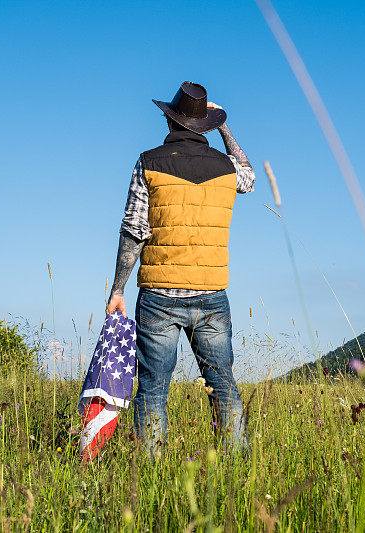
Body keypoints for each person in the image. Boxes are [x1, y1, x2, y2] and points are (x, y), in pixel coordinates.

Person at [106, 82, 254, 453]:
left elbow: (134, 230)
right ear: (203, 126)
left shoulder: (149, 161)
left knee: (154, 386)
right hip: (211, 293)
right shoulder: (225, 168)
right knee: (222, 382)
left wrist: (117, 289)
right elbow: (249, 177)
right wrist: (224, 126)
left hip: (159, 293)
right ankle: (237, 466)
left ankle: (151, 474)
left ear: (170, 122)